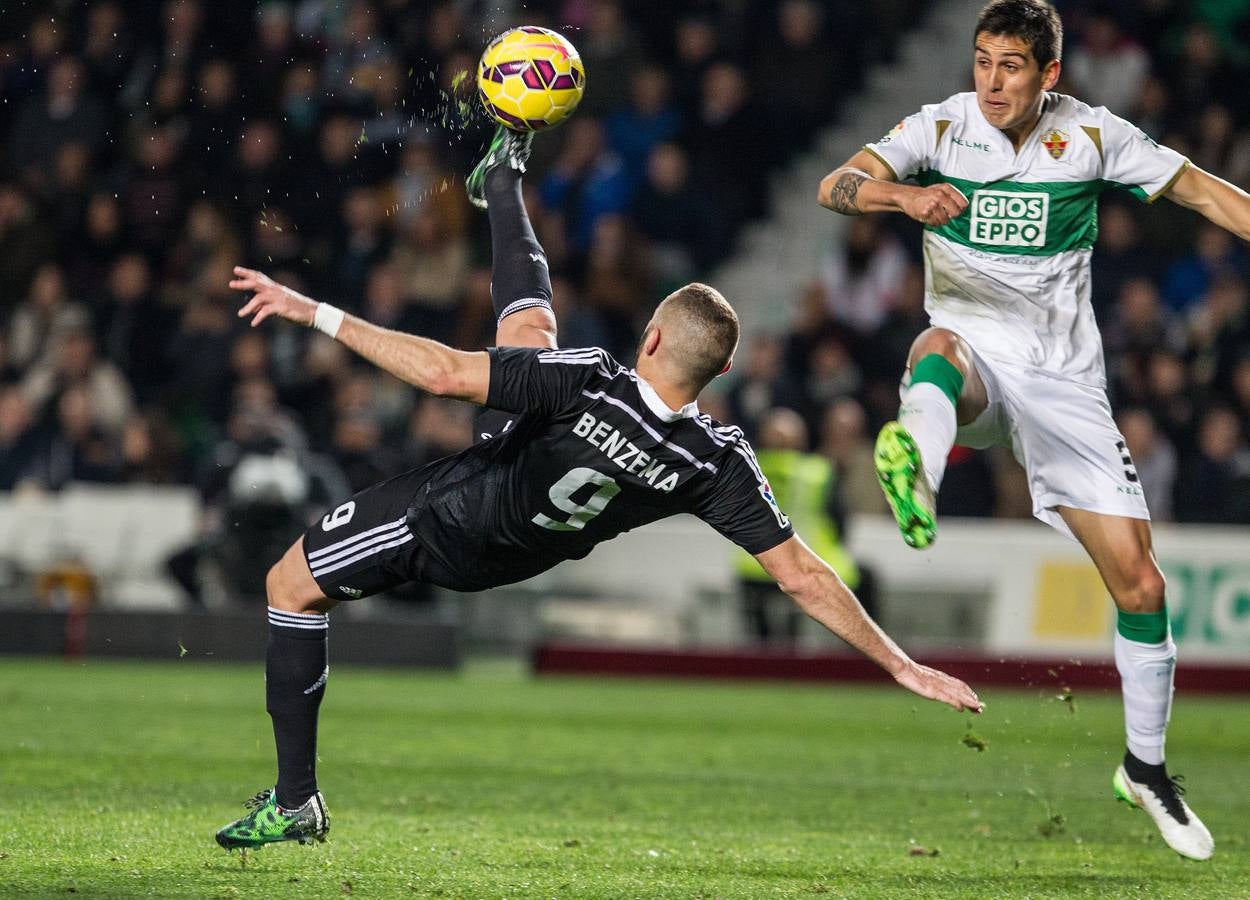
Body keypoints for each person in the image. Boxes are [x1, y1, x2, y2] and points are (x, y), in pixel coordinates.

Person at [214, 125, 983, 851]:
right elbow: (804, 577)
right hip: (524, 545)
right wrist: (900, 664)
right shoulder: (713, 457)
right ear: (720, 375)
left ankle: (295, 801)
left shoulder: (592, 382)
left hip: (450, 519)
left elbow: (445, 375)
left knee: (290, 584)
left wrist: (313, 311)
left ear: (648, 337)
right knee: (529, 340)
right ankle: (504, 180)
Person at [815, 0, 1241, 861]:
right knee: (936, 346)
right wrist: (903, 195)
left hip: (1065, 387)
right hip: (975, 353)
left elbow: (1202, 192)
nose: (992, 81)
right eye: (982, 61)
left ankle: (1145, 770)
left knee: (1143, 588)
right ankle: (916, 466)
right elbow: (835, 186)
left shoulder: (1091, 135)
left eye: (1011, 66)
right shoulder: (939, 126)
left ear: (1050, 75)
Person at [735, 407, 865, 644]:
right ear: (802, 440)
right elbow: (841, 522)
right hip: (811, 563)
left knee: (760, 640)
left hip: (755, 566)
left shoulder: (744, 469)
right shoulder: (819, 472)